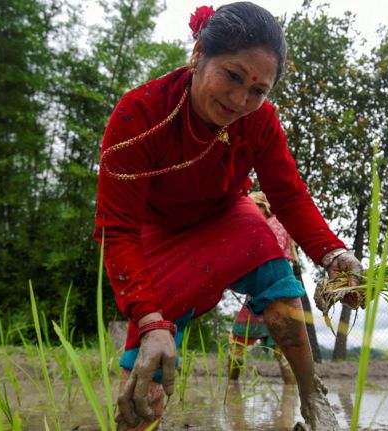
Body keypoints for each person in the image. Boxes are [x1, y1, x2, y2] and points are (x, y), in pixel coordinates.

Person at [93, 3, 362, 430]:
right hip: (155, 236)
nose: (240, 100)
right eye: (233, 76)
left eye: (258, 90)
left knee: (273, 265)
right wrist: (148, 319)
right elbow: (118, 229)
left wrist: (333, 255)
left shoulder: (259, 122)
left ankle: (313, 396)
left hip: (226, 218)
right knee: (141, 392)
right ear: (199, 53)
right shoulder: (140, 114)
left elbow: (288, 197)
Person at [228, 191, 297, 385]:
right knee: (281, 346)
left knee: (237, 340)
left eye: (252, 207)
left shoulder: (272, 226)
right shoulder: (276, 225)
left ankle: (232, 387)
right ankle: (290, 393)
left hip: (266, 291)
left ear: (263, 208)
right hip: (272, 293)